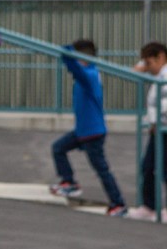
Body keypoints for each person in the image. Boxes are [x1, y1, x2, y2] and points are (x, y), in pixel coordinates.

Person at [48, 40, 127, 217]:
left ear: (83, 58)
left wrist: (67, 53)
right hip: (84, 130)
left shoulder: (89, 75)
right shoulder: (88, 74)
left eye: (78, 59)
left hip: (92, 132)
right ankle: (69, 182)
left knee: (101, 169)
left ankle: (118, 203)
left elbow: (75, 69)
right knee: (58, 148)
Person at [127, 42, 167, 220]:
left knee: (165, 169)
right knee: (148, 167)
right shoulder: (158, 76)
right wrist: (143, 68)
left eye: (149, 63)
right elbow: (134, 72)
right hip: (157, 129)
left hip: (163, 128)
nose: (148, 68)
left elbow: (163, 105)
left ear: (161, 57)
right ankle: (148, 206)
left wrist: (155, 120)